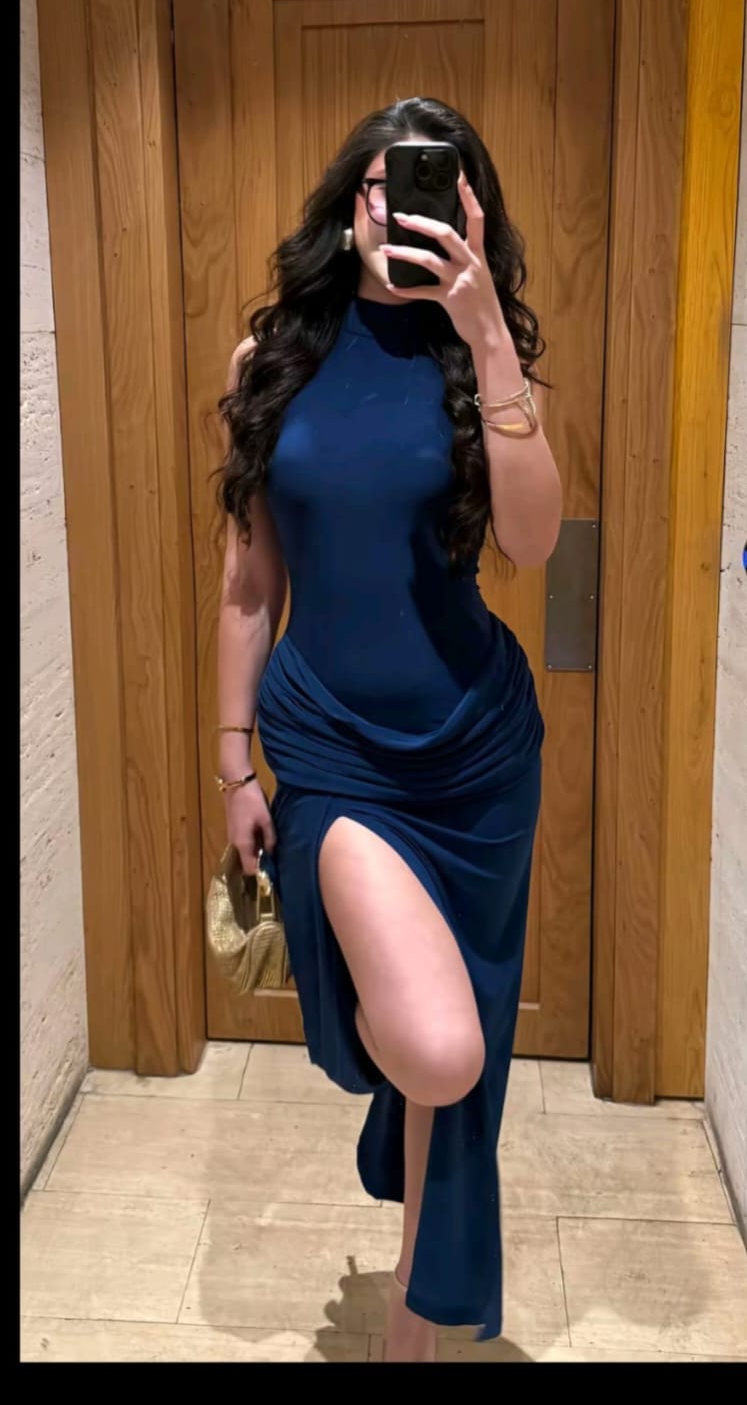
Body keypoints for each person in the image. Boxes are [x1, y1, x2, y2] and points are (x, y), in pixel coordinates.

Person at [216, 97, 562, 1362]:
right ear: (346, 202)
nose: (394, 208)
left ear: (469, 211)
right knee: (437, 1046)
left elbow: (531, 540)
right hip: (331, 747)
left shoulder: (479, 360)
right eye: (378, 184)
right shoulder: (272, 360)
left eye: (429, 188)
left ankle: (411, 1336)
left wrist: (486, 335)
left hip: (478, 751)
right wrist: (231, 759)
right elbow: (249, 580)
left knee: (453, 1070)